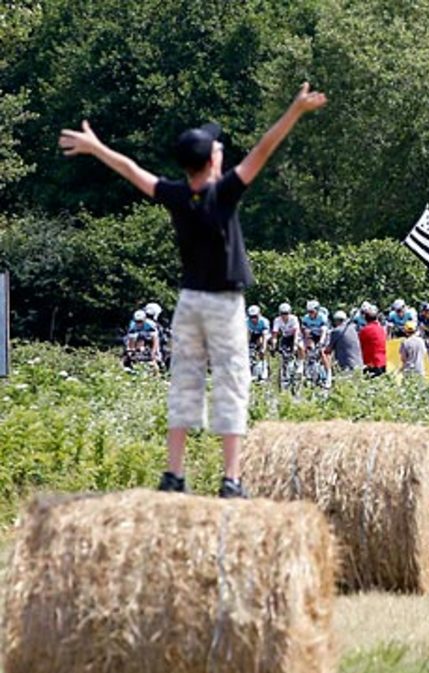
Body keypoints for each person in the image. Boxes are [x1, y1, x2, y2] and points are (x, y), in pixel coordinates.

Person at [59, 82, 328, 497]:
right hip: (223, 303)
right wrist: (294, 110)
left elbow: (132, 170)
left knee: (184, 380)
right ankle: (231, 479)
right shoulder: (224, 194)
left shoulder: (176, 194)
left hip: (188, 302)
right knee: (232, 381)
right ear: (212, 161)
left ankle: (174, 475)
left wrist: (96, 147)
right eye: (218, 149)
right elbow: (264, 148)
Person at [359, 302, 388, 377]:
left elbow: (360, 345)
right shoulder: (381, 329)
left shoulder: (364, 331)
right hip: (383, 362)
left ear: (365, 318)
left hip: (371, 363)